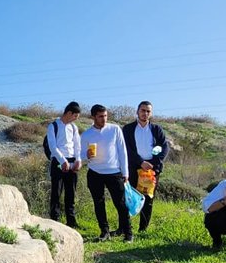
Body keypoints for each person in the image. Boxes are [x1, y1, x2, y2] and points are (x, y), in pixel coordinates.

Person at [80, 104, 131, 242]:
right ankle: (104, 232)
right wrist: (86, 155)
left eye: (105, 116)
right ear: (93, 117)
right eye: (100, 116)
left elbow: (122, 150)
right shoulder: (86, 134)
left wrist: (125, 172)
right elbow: (80, 155)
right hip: (95, 172)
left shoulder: (114, 129)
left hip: (114, 172)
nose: (104, 119)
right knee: (99, 203)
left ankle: (128, 233)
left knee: (120, 203)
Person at [122, 100, 168, 234]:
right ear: (137, 111)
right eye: (143, 110)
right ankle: (126, 228)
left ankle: (143, 229)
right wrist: (141, 162)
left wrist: (152, 163)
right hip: (133, 167)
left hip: (151, 169)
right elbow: (126, 149)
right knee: (129, 197)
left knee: (148, 198)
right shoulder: (128, 128)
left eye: (148, 111)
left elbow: (164, 147)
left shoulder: (156, 129)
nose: (145, 113)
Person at [45, 101, 82, 227]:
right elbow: (52, 147)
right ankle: (54, 220)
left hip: (72, 161)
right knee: (56, 192)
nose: (75, 119)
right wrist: (63, 160)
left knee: (71, 192)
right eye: (75, 116)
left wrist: (78, 159)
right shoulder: (53, 126)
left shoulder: (73, 127)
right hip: (58, 161)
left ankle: (71, 221)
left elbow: (77, 145)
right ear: (69, 113)